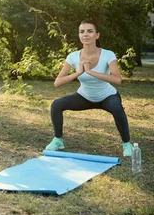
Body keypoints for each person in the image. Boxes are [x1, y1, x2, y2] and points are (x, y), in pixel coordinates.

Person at [45, 20, 133, 156]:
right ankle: (58, 140)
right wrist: (78, 72)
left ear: (97, 35)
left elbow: (117, 79)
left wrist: (91, 72)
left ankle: (127, 144)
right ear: (79, 35)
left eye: (89, 31)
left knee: (117, 108)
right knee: (56, 105)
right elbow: (58, 82)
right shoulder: (73, 57)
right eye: (82, 31)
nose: (85, 34)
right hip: (84, 96)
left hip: (107, 96)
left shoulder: (108, 54)